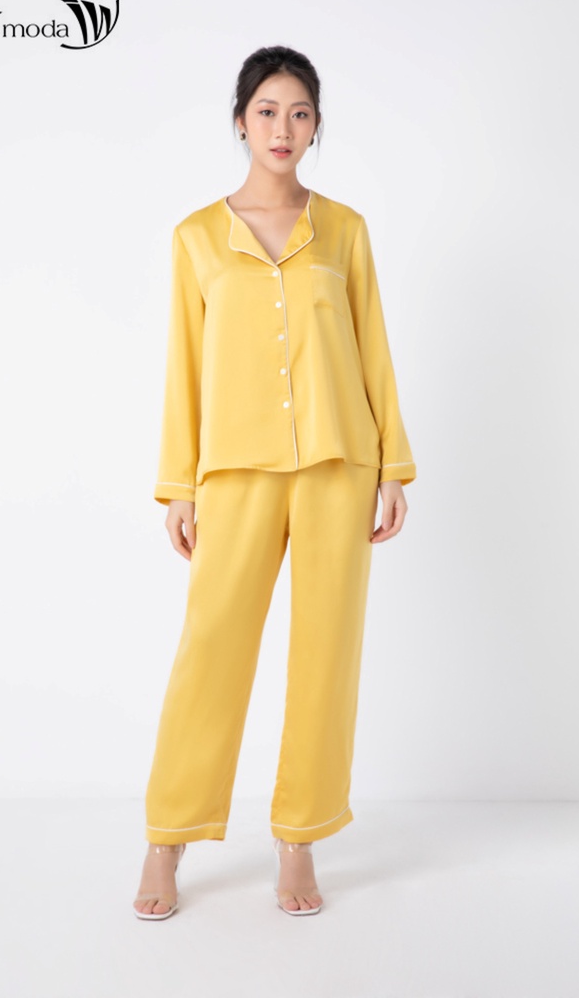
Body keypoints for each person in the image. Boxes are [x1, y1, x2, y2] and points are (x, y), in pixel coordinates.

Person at [133, 45, 416, 920]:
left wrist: (393, 466)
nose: (283, 128)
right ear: (240, 121)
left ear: (317, 125)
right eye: (267, 111)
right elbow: (183, 369)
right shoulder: (195, 238)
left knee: (326, 656)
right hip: (235, 471)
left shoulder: (346, 231)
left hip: (339, 462)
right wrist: (180, 486)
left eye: (299, 113)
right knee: (212, 649)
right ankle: (167, 839)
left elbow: (372, 348)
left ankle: (299, 839)